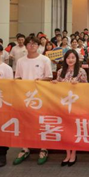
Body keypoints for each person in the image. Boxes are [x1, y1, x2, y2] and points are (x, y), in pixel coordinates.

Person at [13, 36, 54, 165]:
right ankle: (25, 148)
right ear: (26, 46)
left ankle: (43, 148)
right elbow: (18, 78)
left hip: (40, 96)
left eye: (34, 44)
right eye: (29, 44)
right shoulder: (21, 61)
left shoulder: (44, 59)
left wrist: (40, 81)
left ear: (38, 46)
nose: (32, 46)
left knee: (41, 121)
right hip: (25, 96)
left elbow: (49, 77)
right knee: (25, 122)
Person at [52, 49, 88, 167]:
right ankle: (67, 153)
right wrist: (54, 83)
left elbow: (87, 88)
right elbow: (57, 87)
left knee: (74, 129)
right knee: (65, 129)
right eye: (68, 58)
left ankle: (74, 153)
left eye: (73, 57)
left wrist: (78, 85)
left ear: (77, 59)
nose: (70, 60)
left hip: (76, 105)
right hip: (63, 105)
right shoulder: (60, 71)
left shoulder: (81, 71)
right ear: (65, 59)